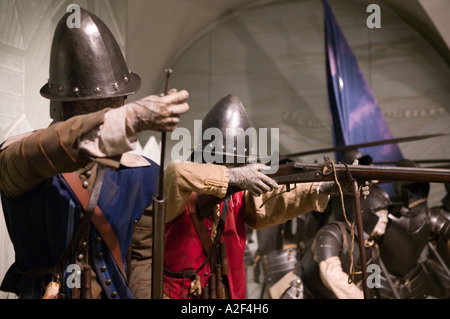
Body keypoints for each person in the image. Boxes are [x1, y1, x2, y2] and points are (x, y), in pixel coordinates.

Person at [0, 7, 189, 299]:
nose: (110, 109)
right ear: (62, 106)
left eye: (116, 103)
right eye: (96, 105)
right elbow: (48, 150)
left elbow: (142, 257)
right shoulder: (19, 155)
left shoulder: (144, 172)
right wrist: (121, 122)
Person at [156, 94, 368, 299]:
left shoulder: (236, 194)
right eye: (225, 161)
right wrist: (232, 176)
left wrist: (325, 187)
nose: (232, 167)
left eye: (236, 163)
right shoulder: (182, 186)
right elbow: (177, 172)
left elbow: (271, 201)